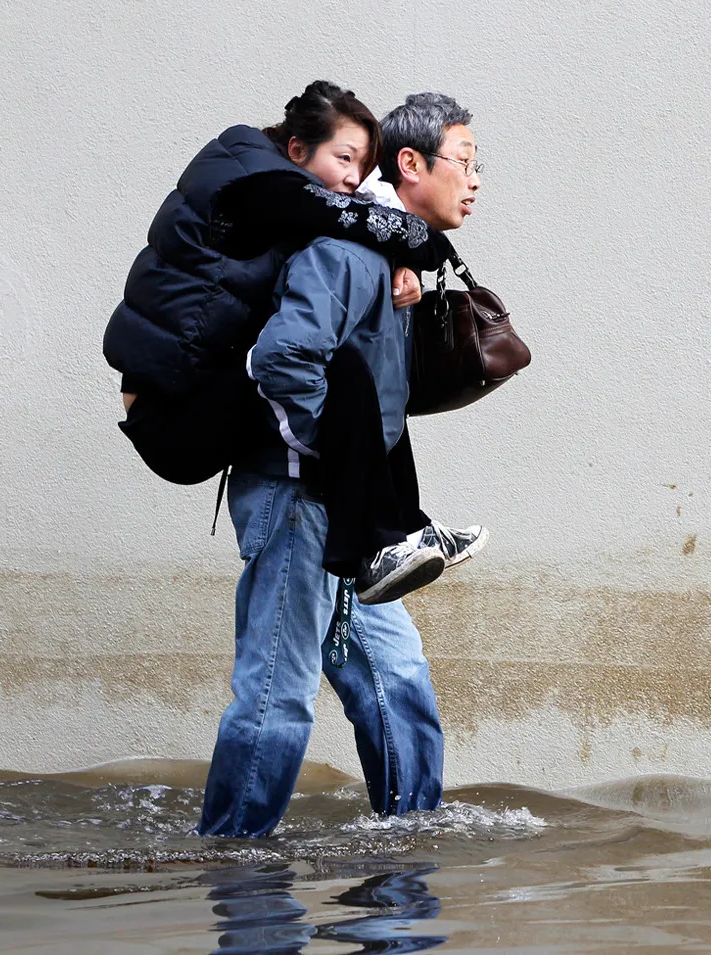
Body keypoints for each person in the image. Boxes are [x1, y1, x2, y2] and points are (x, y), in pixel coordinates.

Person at [196, 91, 484, 838]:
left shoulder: (390, 258)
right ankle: (232, 866)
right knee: (276, 694)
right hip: (300, 496)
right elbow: (283, 360)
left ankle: (407, 854)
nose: (476, 180)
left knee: (398, 682)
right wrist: (330, 465)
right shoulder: (348, 251)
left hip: (347, 515)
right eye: (466, 162)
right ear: (412, 167)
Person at [105, 82, 483, 603]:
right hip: (171, 411)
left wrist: (403, 259)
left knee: (356, 369)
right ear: (297, 149)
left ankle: (402, 528)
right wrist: (413, 241)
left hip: (198, 392)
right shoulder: (249, 175)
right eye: (344, 158)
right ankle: (372, 545)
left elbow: (337, 219)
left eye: (363, 165)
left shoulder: (294, 206)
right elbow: (331, 215)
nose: (353, 178)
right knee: (345, 372)